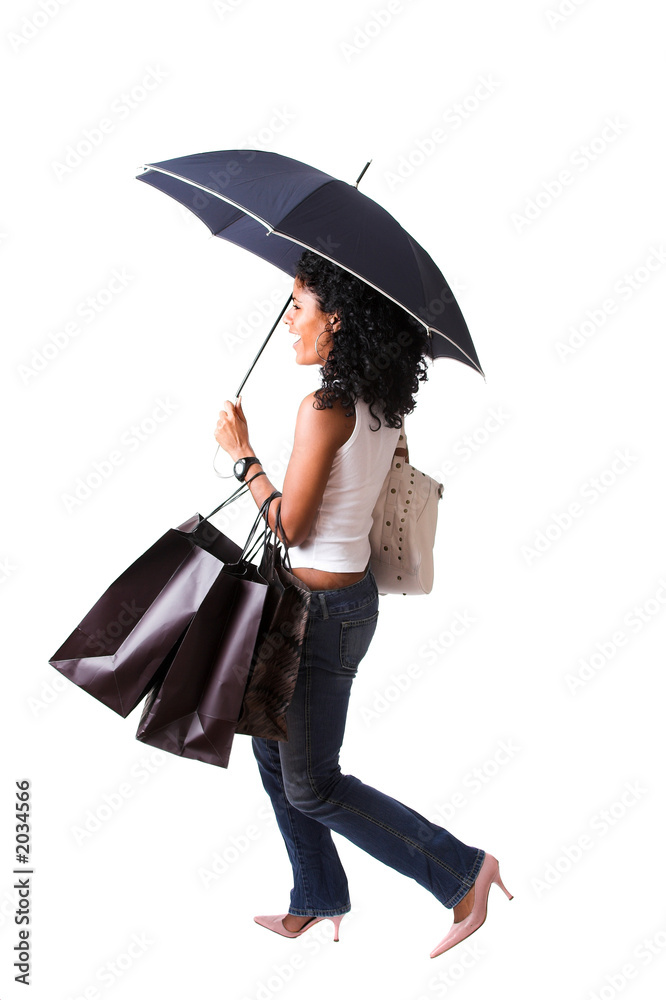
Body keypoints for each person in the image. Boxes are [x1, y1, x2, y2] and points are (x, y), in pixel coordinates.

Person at [214, 250, 512, 958]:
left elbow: (291, 526)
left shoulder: (323, 408)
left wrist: (242, 453)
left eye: (299, 307)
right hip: (337, 603)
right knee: (271, 748)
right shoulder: (380, 402)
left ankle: (461, 871)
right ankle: (317, 893)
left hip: (319, 617)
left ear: (338, 320)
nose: (289, 322)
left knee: (314, 785)